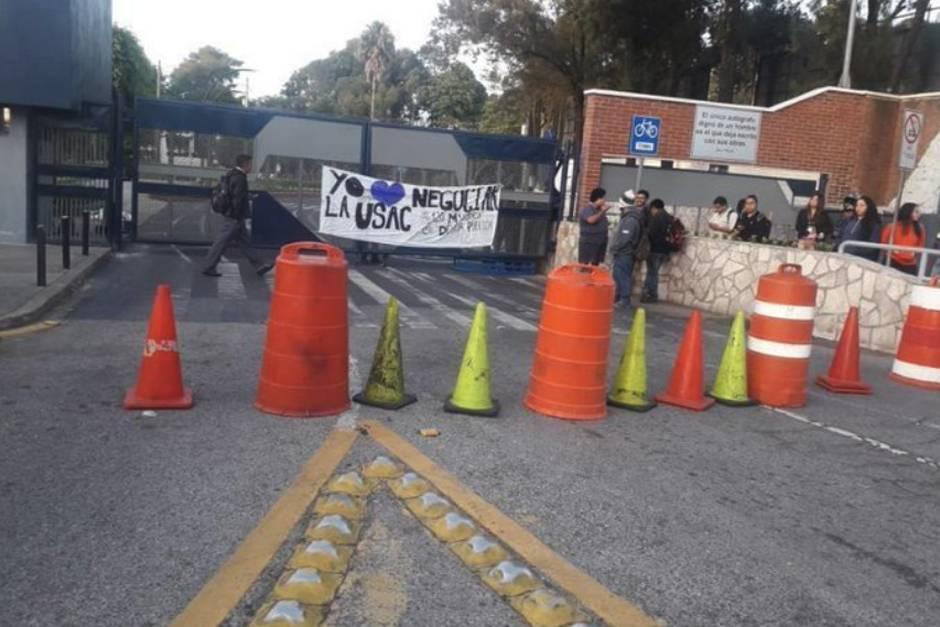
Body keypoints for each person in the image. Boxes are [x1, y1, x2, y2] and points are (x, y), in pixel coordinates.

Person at [203, 154, 273, 277]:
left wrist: (247, 197)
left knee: (245, 242)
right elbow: (237, 199)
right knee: (221, 242)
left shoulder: (231, 174)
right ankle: (209, 266)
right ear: (245, 164)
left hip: (233, 216)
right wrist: (238, 216)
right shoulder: (240, 178)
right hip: (234, 217)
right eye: (250, 164)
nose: (251, 167)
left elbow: (234, 194)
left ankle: (259, 265)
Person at [609, 198, 646, 309]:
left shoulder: (630, 220)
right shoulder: (631, 218)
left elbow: (625, 238)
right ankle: (619, 297)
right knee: (619, 276)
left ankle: (624, 300)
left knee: (622, 276)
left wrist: (616, 248)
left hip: (624, 253)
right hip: (624, 253)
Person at [880, 202, 926, 275]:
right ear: (908, 211)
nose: (919, 214)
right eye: (916, 211)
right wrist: (892, 250)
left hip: (910, 264)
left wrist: (913, 253)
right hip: (892, 260)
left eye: (919, 212)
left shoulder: (920, 228)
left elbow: (920, 246)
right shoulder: (892, 226)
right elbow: (883, 243)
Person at [642, 198, 671, 303]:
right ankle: (650, 294)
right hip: (664, 250)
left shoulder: (657, 217)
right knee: (654, 272)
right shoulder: (669, 217)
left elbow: (651, 234)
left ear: (654, 208)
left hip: (654, 249)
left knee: (652, 273)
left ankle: (651, 294)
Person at [839, 196, 881, 261]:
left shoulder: (874, 224)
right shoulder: (851, 220)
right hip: (844, 254)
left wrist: (855, 250)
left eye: (862, 205)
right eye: (857, 205)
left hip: (861, 258)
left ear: (868, 207)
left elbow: (873, 245)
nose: (858, 208)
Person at [578, 187, 610, 265]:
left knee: (595, 265)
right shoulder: (587, 209)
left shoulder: (599, 210)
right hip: (589, 243)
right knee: (585, 265)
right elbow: (591, 220)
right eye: (603, 198)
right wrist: (602, 211)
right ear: (598, 198)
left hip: (599, 242)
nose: (604, 201)